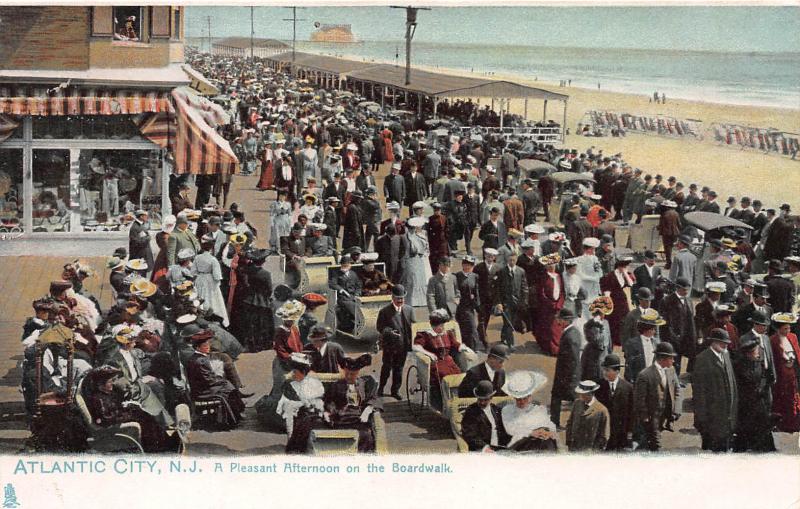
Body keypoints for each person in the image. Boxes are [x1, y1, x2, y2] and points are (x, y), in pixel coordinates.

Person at [83, 366, 178, 453]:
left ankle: (163, 440)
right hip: (112, 425)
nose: (113, 383)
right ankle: (157, 445)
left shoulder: (108, 393)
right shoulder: (97, 399)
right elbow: (105, 418)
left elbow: (116, 407)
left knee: (144, 414)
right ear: (101, 384)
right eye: (110, 381)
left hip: (119, 416)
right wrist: (126, 414)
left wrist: (127, 407)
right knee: (143, 419)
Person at [186, 328, 246, 429]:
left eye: (208, 345)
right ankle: (232, 419)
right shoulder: (200, 361)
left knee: (228, 386)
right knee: (228, 387)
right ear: (198, 347)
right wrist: (220, 380)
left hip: (202, 387)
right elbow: (209, 380)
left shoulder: (197, 358)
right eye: (205, 346)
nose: (208, 347)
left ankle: (236, 414)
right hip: (203, 391)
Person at [324, 354, 382, 453]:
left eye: (352, 374)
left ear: (357, 373)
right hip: (341, 417)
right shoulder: (337, 385)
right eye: (347, 374)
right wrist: (328, 411)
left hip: (358, 418)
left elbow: (374, 398)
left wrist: (367, 411)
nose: (349, 377)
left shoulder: (364, 383)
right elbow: (330, 401)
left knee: (366, 435)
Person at [412, 309, 469, 410]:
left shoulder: (447, 333)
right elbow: (416, 347)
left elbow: (455, 344)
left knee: (458, 375)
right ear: (434, 326)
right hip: (436, 363)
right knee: (444, 375)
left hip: (448, 361)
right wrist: (428, 354)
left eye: (443, 325)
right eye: (440, 326)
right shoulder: (425, 335)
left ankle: (457, 400)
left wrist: (463, 347)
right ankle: (444, 403)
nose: (442, 328)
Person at [693, 328, 738, 452]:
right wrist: (702, 418)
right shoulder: (703, 359)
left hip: (727, 416)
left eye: (726, 343)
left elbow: (732, 382)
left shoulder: (725, 355)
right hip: (712, 418)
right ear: (713, 342)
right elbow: (699, 392)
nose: (725, 345)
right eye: (722, 342)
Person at [731, 336, 777, 452]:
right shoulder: (739, 366)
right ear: (749, 353)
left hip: (759, 404)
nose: (758, 353)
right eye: (756, 351)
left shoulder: (759, 363)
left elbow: (764, 378)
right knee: (746, 430)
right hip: (746, 405)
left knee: (762, 431)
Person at [633, 342, 681, 451]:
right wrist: (644, 416)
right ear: (662, 359)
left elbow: (677, 390)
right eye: (671, 358)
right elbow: (639, 399)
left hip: (665, 416)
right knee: (656, 445)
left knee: (649, 442)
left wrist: (676, 410)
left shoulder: (671, 370)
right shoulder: (645, 375)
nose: (673, 361)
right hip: (651, 417)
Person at [276, 353, 326, 453]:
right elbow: (288, 402)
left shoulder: (314, 383)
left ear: (303, 372)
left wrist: (312, 404)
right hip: (298, 414)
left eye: (295, 371)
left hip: (314, 415)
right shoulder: (290, 385)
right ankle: (294, 445)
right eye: (292, 371)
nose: (293, 374)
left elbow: (319, 399)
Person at [500, 371, 558, 451]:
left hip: (541, 442)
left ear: (530, 396)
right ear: (514, 398)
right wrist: (531, 432)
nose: (522, 402)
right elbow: (510, 429)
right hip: (520, 444)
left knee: (548, 443)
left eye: (525, 398)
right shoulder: (508, 410)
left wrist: (549, 431)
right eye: (519, 399)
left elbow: (548, 424)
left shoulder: (539, 409)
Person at [376, 285, 416, 399]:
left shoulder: (409, 310)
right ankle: (381, 388)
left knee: (399, 369)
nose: (400, 301)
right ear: (392, 297)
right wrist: (389, 332)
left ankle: (395, 391)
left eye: (402, 298)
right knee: (386, 368)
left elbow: (414, 325)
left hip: (403, 346)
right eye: (398, 298)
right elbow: (380, 327)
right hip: (390, 346)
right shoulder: (384, 311)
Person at [549, 308, 582, 428]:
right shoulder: (574, 332)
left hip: (566, 375)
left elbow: (572, 359)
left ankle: (558, 424)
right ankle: (556, 422)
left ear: (566, 321)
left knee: (560, 398)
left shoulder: (570, 336)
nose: (558, 322)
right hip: (567, 374)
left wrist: (568, 378)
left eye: (560, 319)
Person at [596, 354, 635, 451]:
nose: (604, 373)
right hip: (604, 432)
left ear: (617, 371)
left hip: (621, 434)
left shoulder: (628, 387)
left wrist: (630, 433)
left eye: (608, 370)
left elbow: (632, 413)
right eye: (604, 370)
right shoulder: (599, 386)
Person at [659, 277, 696, 377]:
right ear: (677, 288)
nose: (686, 292)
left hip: (685, 337)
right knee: (673, 362)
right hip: (672, 338)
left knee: (681, 360)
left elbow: (691, 319)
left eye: (687, 289)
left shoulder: (689, 301)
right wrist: (673, 337)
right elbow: (664, 323)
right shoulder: (667, 300)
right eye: (684, 289)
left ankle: (677, 380)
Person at [460, 380, 511, 452]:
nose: (482, 402)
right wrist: (484, 448)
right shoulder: (471, 411)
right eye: (480, 399)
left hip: (500, 448)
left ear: (491, 397)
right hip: (482, 450)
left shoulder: (496, 410)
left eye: (485, 400)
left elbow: (504, 429)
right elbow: (469, 435)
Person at [770, 312, 800, 432]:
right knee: (782, 401)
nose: (788, 330)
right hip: (781, 375)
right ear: (779, 328)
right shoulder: (773, 340)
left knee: (795, 399)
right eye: (785, 328)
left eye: (789, 328)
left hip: (793, 374)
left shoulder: (793, 337)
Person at [493, 252, 528, 351]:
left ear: (516, 260)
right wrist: (498, 303)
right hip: (505, 303)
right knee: (508, 323)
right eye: (510, 260)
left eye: (513, 260)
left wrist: (523, 302)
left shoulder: (521, 271)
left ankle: (504, 336)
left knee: (511, 322)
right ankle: (510, 344)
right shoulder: (501, 272)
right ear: (507, 260)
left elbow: (524, 288)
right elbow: (497, 289)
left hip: (517, 302)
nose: (512, 262)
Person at [192, 235, 228, 327]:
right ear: (211, 248)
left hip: (200, 278)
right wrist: (217, 283)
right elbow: (217, 276)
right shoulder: (213, 259)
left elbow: (193, 272)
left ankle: (200, 316)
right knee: (212, 298)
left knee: (200, 297)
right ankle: (212, 317)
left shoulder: (197, 257)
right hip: (210, 279)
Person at [566, 380, 610, 452]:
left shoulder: (602, 410)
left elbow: (605, 434)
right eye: (580, 394)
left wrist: (596, 450)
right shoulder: (577, 403)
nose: (581, 396)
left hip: (590, 451)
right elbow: (570, 423)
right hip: (574, 448)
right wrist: (569, 442)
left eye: (584, 394)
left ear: (591, 394)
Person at [600, 256, 635, 346]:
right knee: (614, 320)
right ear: (619, 266)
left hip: (622, 300)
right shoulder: (610, 276)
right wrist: (608, 302)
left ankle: (621, 339)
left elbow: (631, 284)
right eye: (624, 266)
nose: (626, 268)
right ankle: (614, 339)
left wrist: (625, 273)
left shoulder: (624, 274)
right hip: (614, 300)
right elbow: (607, 291)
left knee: (624, 319)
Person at [623, 309, 664, 383]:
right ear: (647, 329)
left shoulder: (656, 342)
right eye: (652, 329)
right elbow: (629, 365)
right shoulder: (632, 343)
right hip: (638, 380)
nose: (654, 331)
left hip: (653, 380)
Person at [581, 296, 614, 383]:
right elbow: (599, 343)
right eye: (600, 313)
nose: (602, 316)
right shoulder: (590, 325)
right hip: (594, 360)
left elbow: (609, 342)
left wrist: (610, 355)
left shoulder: (606, 322)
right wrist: (601, 327)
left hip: (605, 357)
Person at [403, 216, 432, 307]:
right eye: (410, 228)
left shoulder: (420, 237)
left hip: (418, 260)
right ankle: (411, 300)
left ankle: (420, 300)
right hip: (411, 260)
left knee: (419, 279)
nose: (411, 230)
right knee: (412, 280)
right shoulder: (406, 237)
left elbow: (424, 249)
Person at [329, 256, 363, 334]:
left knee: (360, 304)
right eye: (343, 265)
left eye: (347, 265)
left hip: (353, 296)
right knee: (351, 305)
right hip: (342, 298)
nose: (345, 267)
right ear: (341, 265)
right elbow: (332, 284)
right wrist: (341, 290)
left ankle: (358, 322)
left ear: (350, 266)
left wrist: (357, 293)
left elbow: (358, 285)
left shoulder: (353, 274)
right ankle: (358, 322)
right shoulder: (337, 274)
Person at [454, 255, 481, 351]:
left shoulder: (475, 276)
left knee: (472, 327)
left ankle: (474, 347)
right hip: (460, 306)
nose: (467, 267)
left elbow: (476, 291)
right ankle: (464, 346)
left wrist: (478, 305)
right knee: (462, 327)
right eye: (465, 265)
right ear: (462, 265)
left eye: (470, 265)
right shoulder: (457, 276)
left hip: (470, 307)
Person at [129, 209, 154, 276]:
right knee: (139, 274)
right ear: (141, 217)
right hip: (140, 255)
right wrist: (148, 238)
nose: (147, 217)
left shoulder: (140, 225)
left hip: (143, 254)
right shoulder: (135, 227)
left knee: (143, 273)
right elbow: (136, 242)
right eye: (146, 216)